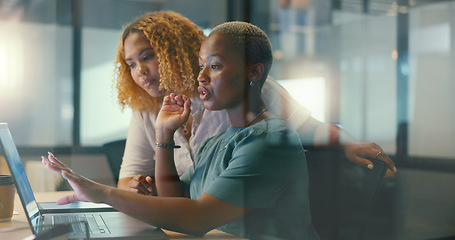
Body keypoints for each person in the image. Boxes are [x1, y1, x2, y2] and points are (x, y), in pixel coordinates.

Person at [42, 21, 320, 239]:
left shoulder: (270, 140)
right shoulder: (218, 142)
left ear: (254, 73)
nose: (201, 76)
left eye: (215, 66)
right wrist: (164, 136)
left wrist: (102, 194)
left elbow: (197, 218)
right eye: (201, 66)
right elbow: (175, 198)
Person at [114, 11, 396, 194]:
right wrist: (138, 188)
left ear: (173, 51)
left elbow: (310, 128)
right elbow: (131, 180)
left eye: (147, 56)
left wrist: (347, 142)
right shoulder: (147, 111)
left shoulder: (241, 89)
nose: (139, 70)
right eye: (130, 64)